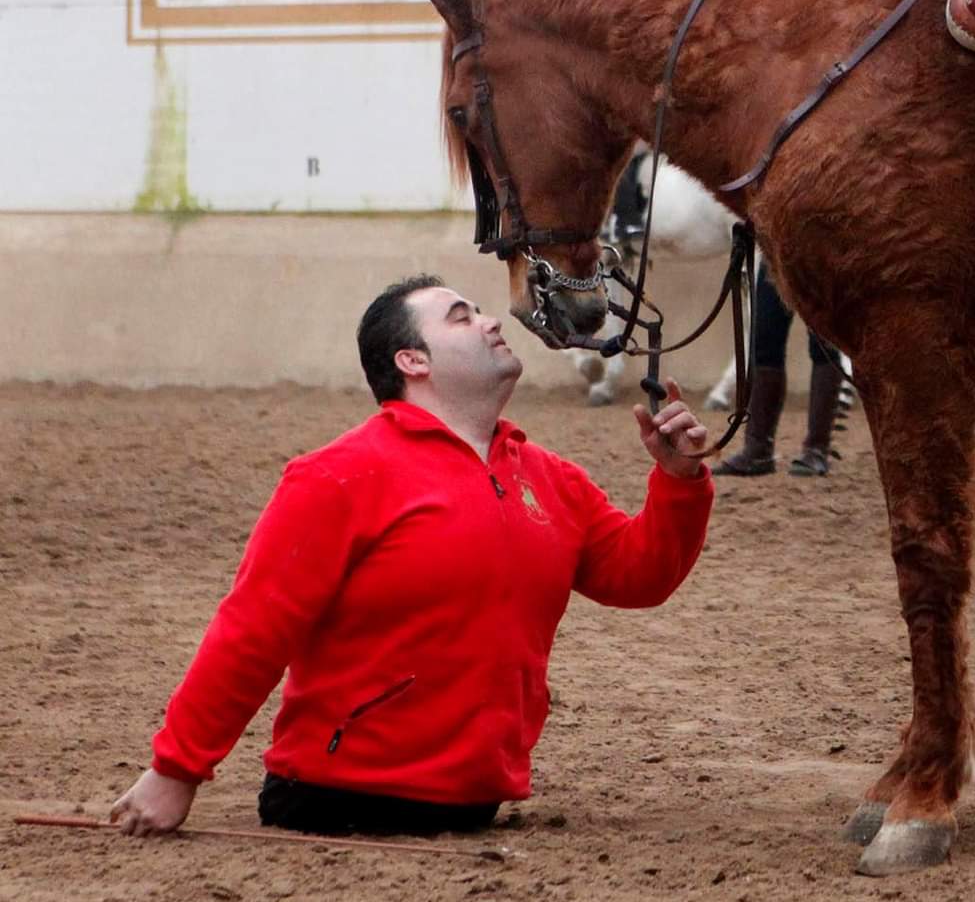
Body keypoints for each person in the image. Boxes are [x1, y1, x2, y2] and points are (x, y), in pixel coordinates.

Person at [110, 274, 713, 840]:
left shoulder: (548, 477)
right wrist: (176, 770)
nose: (489, 321)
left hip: (475, 810)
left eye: (478, 311)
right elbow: (252, 629)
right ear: (412, 361)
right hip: (332, 810)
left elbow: (639, 575)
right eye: (460, 317)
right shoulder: (334, 477)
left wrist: (679, 484)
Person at [714, 259, 843, 478]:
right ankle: (758, 449)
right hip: (777, 252)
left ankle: (817, 449)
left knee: (824, 343)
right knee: (764, 340)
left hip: (822, 250)